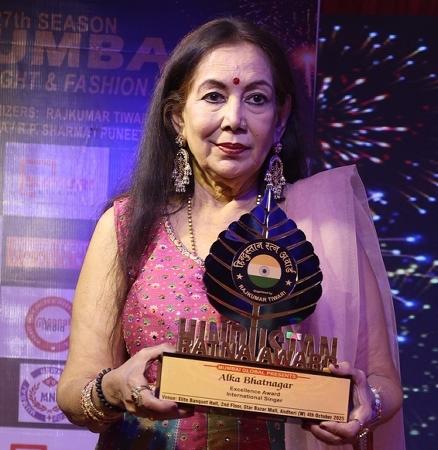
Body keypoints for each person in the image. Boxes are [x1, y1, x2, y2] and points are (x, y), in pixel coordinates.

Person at [57, 17, 405, 450]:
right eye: (214, 96)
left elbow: (383, 381)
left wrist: (367, 402)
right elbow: (74, 390)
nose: (234, 119)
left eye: (256, 99)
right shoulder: (127, 226)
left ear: (280, 120)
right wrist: (112, 389)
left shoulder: (322, 228)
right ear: (177, 118)